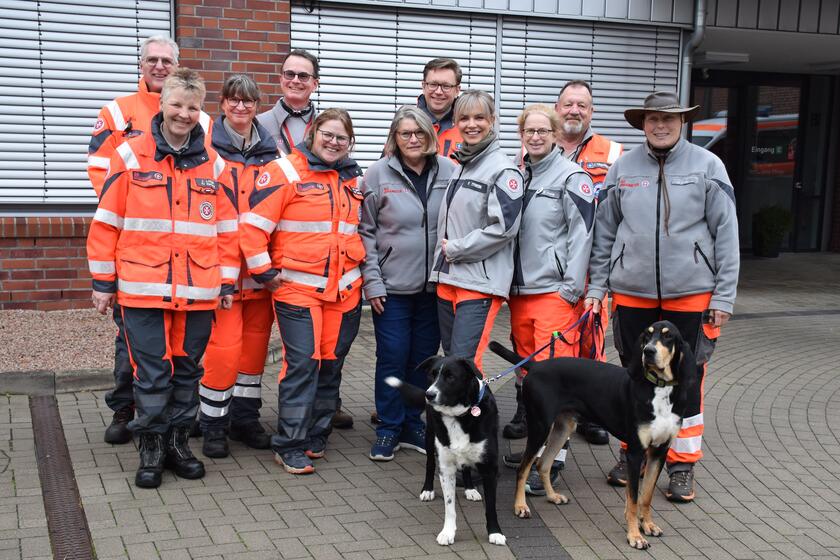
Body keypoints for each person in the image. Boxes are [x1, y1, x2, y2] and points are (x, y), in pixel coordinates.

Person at [87, 68, 239, 489]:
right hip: (142, 290)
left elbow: (228, 231)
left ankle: (177, 443)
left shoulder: (216, 164)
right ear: (162, 105)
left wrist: (227, 283)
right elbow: (107, 223)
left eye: (192, 107)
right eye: (176, 104)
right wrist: (103, 283)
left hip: (200, 291)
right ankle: (151, 446)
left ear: (200, 111)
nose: (183, 114)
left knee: (189, 370)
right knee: (152, 373)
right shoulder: (131, 155)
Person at [585, 91, 739, 502]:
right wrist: (598, 286)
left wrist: (723, 296)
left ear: (682, 122)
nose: (660, 125)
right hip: (631, 294)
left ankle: (682, 464)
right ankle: (630, 451)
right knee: (634, 374)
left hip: (691, 295)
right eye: (652, 119)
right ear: (642, 124)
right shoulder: (623, 168)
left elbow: (727, 234)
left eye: (669, 119)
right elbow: (603, 233)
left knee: (688, 379)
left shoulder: (709, 166)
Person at [87, 35, 212, 445]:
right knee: (135, 348)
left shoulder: (203, 119)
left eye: (166, 60)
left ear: (177, 66)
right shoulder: (118, 112)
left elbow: (207, 186)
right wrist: (142, 211)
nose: (159, 66)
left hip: (185, 267)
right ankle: (126, 412)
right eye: (152, 59)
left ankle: (165, 433)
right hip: (140, 254)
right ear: (141, 64)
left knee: (177, 357)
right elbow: (101, 176)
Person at [239, 108, 364, 475]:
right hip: (297, 290)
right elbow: (253, 228)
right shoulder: (284, 171)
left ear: (349, 143)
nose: (334, 142)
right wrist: (264, 272)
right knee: (303, 365)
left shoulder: (354, 179)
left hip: (344, 291)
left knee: (330, 365)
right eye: (327, 133)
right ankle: (289, 442)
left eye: (342, 137)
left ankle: (316, 434)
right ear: (312, 133)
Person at [502, 104, 596, 495]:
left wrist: (571, 287)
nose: (536, 136)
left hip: (555, 295)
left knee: (555, 381)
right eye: (529, 130)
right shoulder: (519, 174)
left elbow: (583, 234)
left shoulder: (572, 177)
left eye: (544, 130)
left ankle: (553, 461)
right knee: (531, 379)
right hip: (521, 296)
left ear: (557, 135)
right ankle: (535, 452)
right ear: (521, 135)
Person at [359, 106, 457, 461]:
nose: (413, 139)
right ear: (394, 138)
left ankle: (413, 423)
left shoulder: (450, 170)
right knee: (392, 357)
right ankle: (388, 426)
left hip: (435, 288)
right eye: (405, 134)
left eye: (419, 132)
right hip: (392, 289)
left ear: (430, 136)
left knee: (422, 361)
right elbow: (365, 231)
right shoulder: (377, 174)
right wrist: (373, 282)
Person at [197, 75, 280, 458]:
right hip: (223, 273)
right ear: (224, 102)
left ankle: (245, 418)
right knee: (223, 351)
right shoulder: (205, 147)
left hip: (261, 273)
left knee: (252, 352)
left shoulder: (272, 152)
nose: (241, 107)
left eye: (248, 101)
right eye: (234, 100)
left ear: (257, 104)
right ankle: (213, 423)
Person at [430, 89, 523, 373]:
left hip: (478, 284)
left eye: (480, 117)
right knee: (452, 363)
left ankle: (478, 416)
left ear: (492, 120)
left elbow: (504, 229)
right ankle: (460, 417)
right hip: (448, 279)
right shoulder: (462, 165)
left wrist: (456, 249)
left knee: (464, 365)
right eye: (464, 118)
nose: (472, 124)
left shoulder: (503, 170)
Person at [554, 79, 623, 446]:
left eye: (582, 105)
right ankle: (530, 405)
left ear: (592, 112)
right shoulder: (537, 143)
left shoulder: (613, 153)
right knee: (542, 337)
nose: (574, 111)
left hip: (594, 264)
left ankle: (592, 413)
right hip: (549, 264)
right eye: (568, 104)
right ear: (557, 108)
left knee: (591, 339)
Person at [257, 49, 320, 157]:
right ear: (281, 79)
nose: (295, 80)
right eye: (290, 74)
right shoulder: (259, 124)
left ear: (315, 84)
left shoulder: (325, 126)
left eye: (303, 76)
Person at [417, 58, 463, 158]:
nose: (438, 92)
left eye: (446, 86)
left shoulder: (469, 128)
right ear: (424, 86)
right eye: (433, 84)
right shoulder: (405, 123)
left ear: (457, 90)